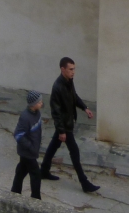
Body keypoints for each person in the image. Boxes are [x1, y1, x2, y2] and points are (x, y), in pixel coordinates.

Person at [40, 57, 100, 193]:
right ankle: (84, 183)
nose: (73, 72)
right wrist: (61, 131)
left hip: (67, 123)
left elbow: (74, 96)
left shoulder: (69, 82)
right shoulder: (57, 87)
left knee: (52, 147)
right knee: (74, 152)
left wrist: (85, 108)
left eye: (74, 69)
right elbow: (56, 112)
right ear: (63, 70)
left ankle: (43, 170)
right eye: (71, 69)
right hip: (65, 126)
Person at [11, 90, 44, 200]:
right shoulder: (25, 117)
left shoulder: (37, 113)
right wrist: (31, 147)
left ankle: (14, 193)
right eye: (39, 102)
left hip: (31, 150)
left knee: (21, 171)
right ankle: (36, 198)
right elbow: (18, 135)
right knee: (36, 174)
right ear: (33, 104)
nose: (41, 103)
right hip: (28, 152)